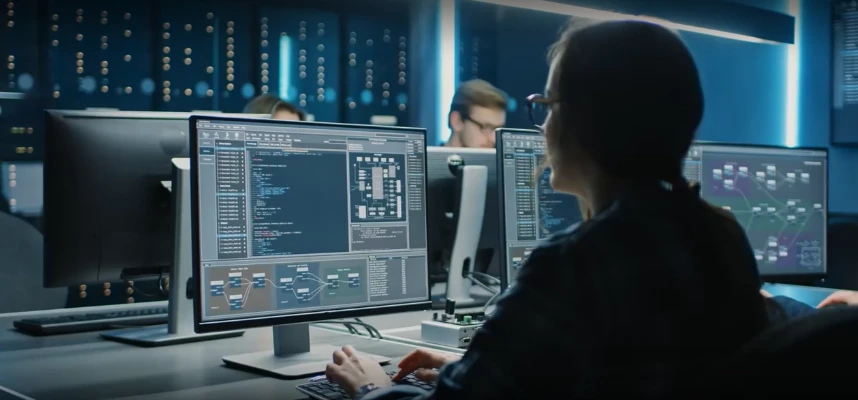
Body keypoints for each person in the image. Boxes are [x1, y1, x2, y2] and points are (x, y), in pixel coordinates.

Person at [324, 18, 770, 398]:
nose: (543, 128)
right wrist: (472, 367)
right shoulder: (720, 235)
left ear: (587, 121)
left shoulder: (573, 264)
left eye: (548, 105)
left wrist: (371, 387)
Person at [444, 79, 508, 148]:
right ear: (457, 121)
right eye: (486, 127)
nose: (493, 139)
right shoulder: (431, 158)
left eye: (497, 130)